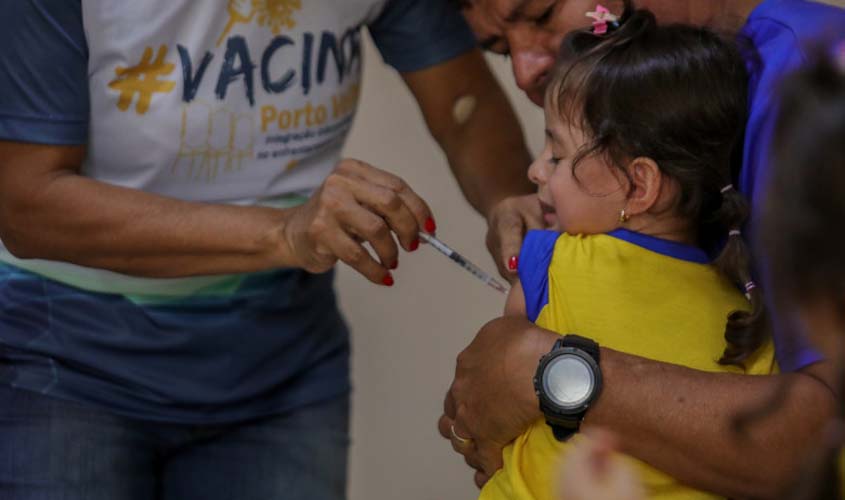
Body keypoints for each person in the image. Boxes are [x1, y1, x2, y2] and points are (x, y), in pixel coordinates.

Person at [0, 1, 535, 499]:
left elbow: (465, 104)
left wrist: (512, 205)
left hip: (284, 364)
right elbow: (25, 206)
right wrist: (284, 233)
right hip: (64, 361)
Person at [440, 0, 845, 498]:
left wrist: (547, 369)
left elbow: (829, 439)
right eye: (501, 50)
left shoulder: (822, 82)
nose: (525, 71)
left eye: (542, 13)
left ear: (642, 184)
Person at [556, 42, 845, 500]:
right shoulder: (759, 339)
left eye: (555, 157)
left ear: (640, 184)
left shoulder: (559, 261)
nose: (537, 173)